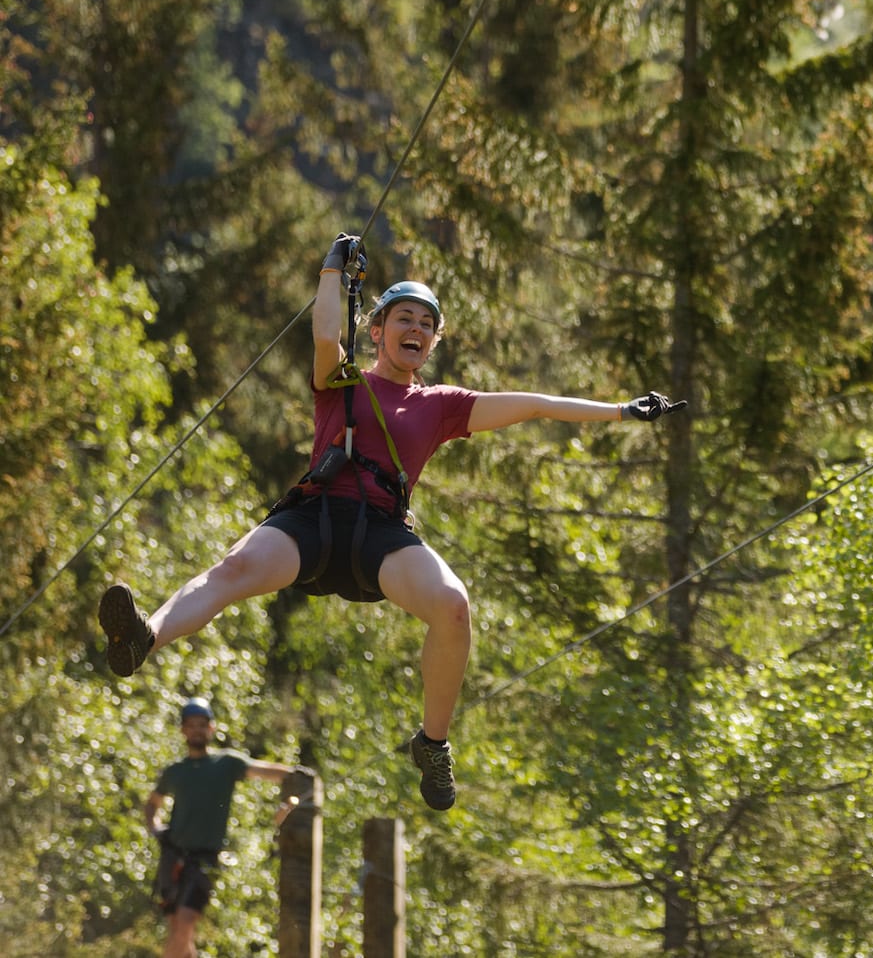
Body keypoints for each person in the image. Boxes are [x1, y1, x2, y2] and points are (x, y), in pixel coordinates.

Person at [99, 233, 681, 811]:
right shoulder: (341, 380)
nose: (418, 331)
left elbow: (535, 404)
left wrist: (625, 410)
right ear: (377, 330)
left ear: (432, 342)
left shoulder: (442, 405)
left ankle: (432, 743)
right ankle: (143, 636)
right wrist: (333, 270)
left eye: (428, 325)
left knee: (453, 607)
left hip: (380, 533)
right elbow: (326, 333)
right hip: (315, 518)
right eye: (405, 319)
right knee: (234, 567)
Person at [144, 697, 308, 958]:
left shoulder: (226, 764)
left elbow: (263, 770)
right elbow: (152, 804)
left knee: (185, 923)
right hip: (173, 857)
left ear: (212, 728)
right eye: (191, 725)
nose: (197, 730)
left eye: (202, 724)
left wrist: (296, 774)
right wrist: (155, 828)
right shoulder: (174, 771)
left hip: (205, 859)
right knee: (177, 930)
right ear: (183, 730)